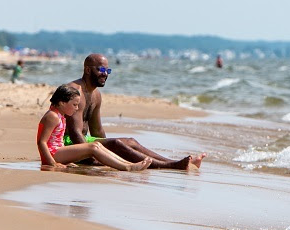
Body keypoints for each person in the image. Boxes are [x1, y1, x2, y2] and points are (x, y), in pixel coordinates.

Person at [65, 54, 206, 169]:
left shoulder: (96, 94)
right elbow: (75, 132)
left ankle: (172, 162)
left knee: (130, 142)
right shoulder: (76, 91)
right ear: (88, 70)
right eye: (101, 70)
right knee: (116, 144)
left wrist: (108, 151)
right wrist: (99, 156)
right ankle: (171, 166)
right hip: (68, 144)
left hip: (86, 140)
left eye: (108, 71)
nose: (105, 74)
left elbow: (97, 130)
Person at [37, 84, 153, 171]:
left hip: (57, 152)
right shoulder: (52, 116)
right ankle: (127, 167)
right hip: (53, 154)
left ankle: (128, 164)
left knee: (96, 145)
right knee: (93, 147)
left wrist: (67, 159)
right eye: (74, 105)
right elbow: (42, 142)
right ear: (62, 102)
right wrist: (52, 163)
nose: (77, 108)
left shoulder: (60, 115)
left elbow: (57, 141)